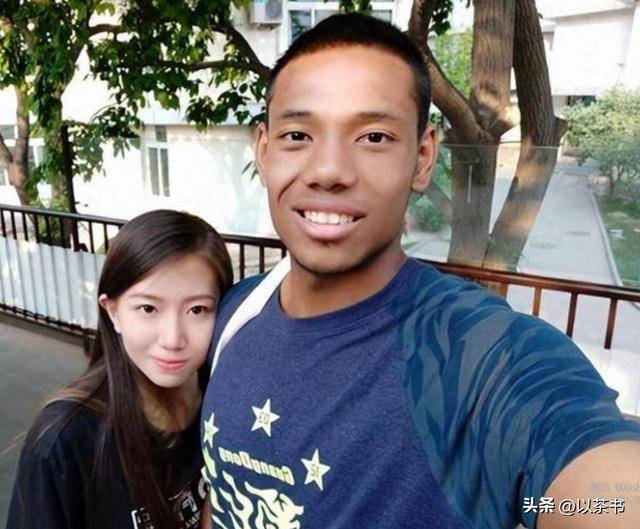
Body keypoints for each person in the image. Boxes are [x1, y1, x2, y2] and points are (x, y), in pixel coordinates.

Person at [200, 13, 640, 529]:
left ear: (423, 156)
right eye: (297, 134)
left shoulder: (479, 355)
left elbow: (607, 495)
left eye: (374, 138)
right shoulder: (234, 312)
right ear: (263, 150)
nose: (328, 171)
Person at [7, 210, 233, 529]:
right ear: (113, 312)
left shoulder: (229, 399)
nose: (172, 339)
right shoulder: (66, 438)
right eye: (148, 308)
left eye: (197, 309)